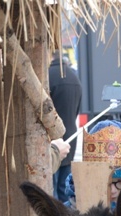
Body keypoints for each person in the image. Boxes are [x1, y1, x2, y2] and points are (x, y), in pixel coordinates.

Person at [49, 51, 82, 202]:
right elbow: (77, 109)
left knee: (51, 185)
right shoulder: (74, 77)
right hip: (71, 135)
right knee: (64, 186)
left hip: (52, 138)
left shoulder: (47, 76)